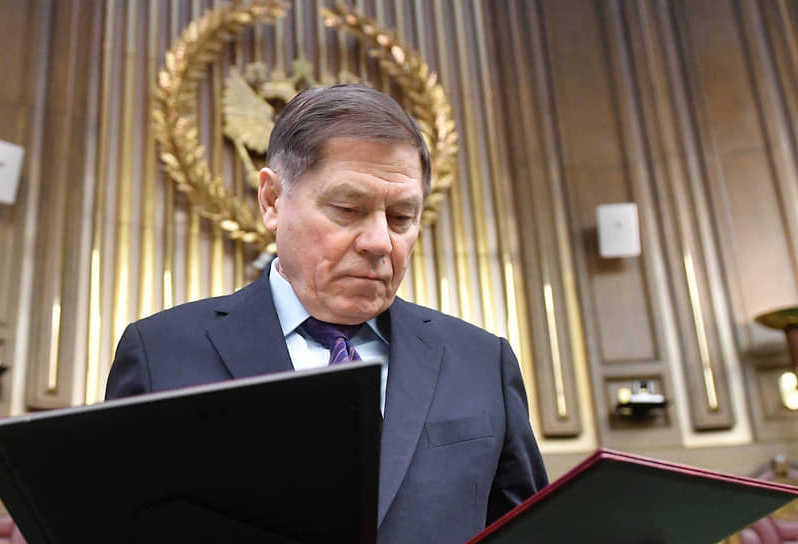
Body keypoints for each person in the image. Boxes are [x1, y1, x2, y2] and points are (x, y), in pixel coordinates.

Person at [105, 84, 548, 542]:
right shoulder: (161, 354)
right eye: (348, 209)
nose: (379, 242)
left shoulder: (482, 361)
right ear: (272, 200)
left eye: (401, 218)